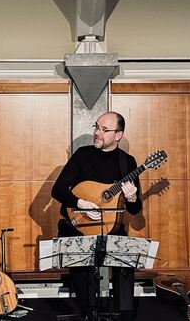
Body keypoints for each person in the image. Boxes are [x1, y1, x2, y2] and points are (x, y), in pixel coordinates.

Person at [51, 111, 143, 321]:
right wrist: (80, 203)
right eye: (96, 127)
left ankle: (124, 316)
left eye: (104, 129)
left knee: (127, 258)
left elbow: (135, 210)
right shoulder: (83, 155)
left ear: (118, 135)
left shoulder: (127, 162)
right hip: (78, 226)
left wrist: (131, 198)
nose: (97, 133)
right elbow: (57, 190)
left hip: (111, 227)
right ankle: (88, 314)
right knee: (82, 262)